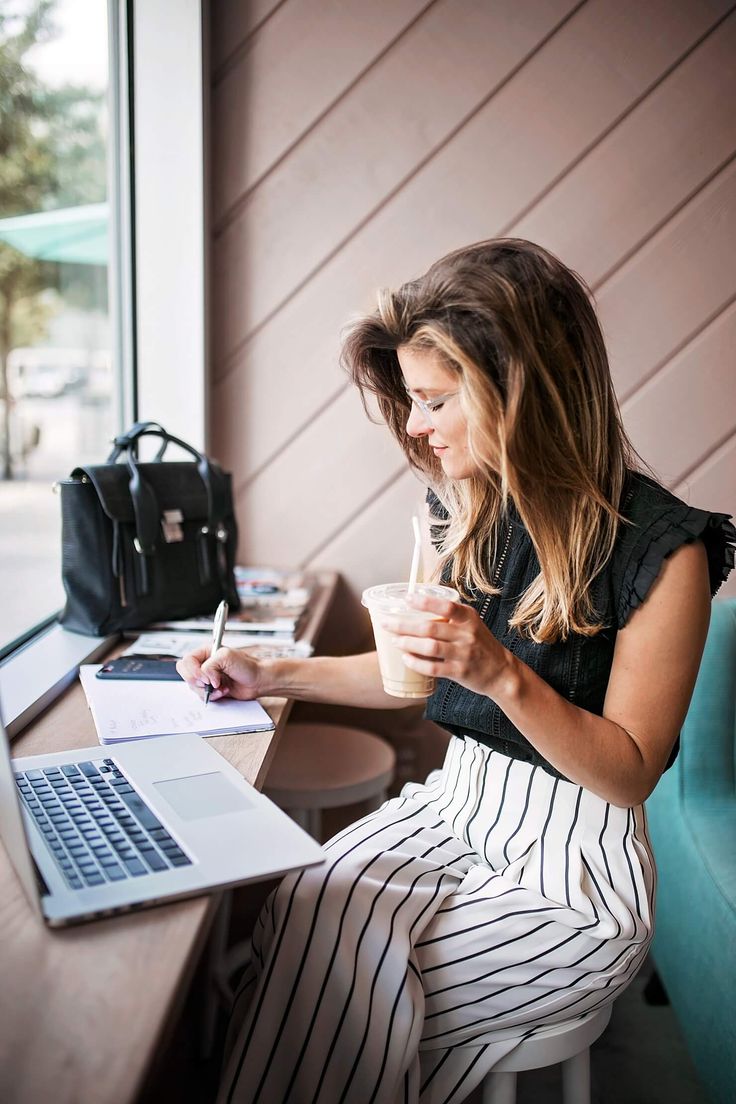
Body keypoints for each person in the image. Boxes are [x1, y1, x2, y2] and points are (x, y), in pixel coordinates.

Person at [179, 239, 734, 1104]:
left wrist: (503, 675)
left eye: (434, 400)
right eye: (410, 400)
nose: (413, 425)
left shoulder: (666, 555)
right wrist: (271, 675)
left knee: (337, 989)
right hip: (455, 809)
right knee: (306, 903)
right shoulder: (469, 509)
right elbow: (410, 676)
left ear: (524, 389)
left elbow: (628, 773)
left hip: (575, 872)